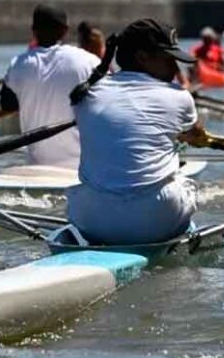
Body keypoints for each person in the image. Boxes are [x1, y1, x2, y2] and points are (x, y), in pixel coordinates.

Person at [66, 18, 204, 245]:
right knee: (183, 179)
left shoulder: (85, 96)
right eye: (169, 59)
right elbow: (195, 135)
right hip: (157, 217)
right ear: (142, 57)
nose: (175, 68)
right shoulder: (179, 97)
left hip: (90, 219)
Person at [0, 4, 99, 168]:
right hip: (82, 168)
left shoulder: (17, 64)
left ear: (33, 30)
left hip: (39, 167)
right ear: (65, 30)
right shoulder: (89, 61)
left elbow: (7, 105)